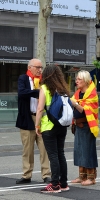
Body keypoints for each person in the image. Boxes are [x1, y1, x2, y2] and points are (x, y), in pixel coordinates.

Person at [15, 58, 51, 185]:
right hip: (27, 117)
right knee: (27, 149)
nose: (40, 70)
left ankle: (46, 174)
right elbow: (22, 93)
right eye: (37, 67)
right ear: (29, 67)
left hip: (42, 118)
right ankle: (26, 175)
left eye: (41, 67)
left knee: (44, 148)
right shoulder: (23, 79)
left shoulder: (44, 80)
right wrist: (37, 92)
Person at [35, 64, 69, 193]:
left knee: (53, 155)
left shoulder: (44, 88)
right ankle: (63, 183)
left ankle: (54, 185)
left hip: (49, 126)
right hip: (61, 125)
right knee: (61, 153)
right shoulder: (63, 89)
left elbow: (40, 109)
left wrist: (37, 125)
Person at [70, 70, 98, 186]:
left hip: (88, 126)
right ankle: (82, 176)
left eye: (79, 79)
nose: (76, 81)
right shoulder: (77, 93)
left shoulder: (92, 94)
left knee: (88, 151)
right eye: (76, 79)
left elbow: (86, 110)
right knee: (79, 151)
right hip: (78, 126)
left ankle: (91, 178)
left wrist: (75, 104)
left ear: (85, 81)